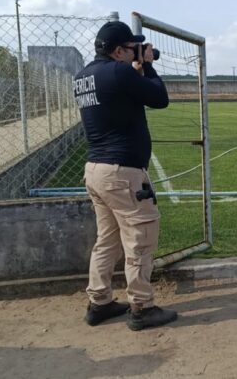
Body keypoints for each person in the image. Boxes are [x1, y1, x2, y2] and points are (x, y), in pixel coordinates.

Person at [73, 21, 177, 330]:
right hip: (122, 173)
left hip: (96, 170)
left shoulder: (82, 77)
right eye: (133, 47)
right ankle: (142, 307)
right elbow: (159, 98)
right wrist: (148, 66)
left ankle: (99, 301)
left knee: (107, 240)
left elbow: (118, 100)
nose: (138, 51)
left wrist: (137, 67)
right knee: (140, 239)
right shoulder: (119, 72)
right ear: (119, 51)